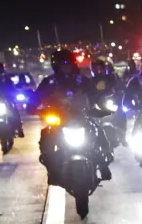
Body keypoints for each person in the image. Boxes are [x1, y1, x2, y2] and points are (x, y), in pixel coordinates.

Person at [34, 49, 109, 182]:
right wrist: (33, 107)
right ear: (56, 65)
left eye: (68, 64)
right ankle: (52, 169)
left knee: (98, 130)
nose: (66, 67)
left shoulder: (83, 80)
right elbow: (36, 97)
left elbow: (95, 96)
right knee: (46, 135)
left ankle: (103, 165)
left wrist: (102, 107)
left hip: (81, 116)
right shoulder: (49, 82)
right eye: (63, 64)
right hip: (59, 119)